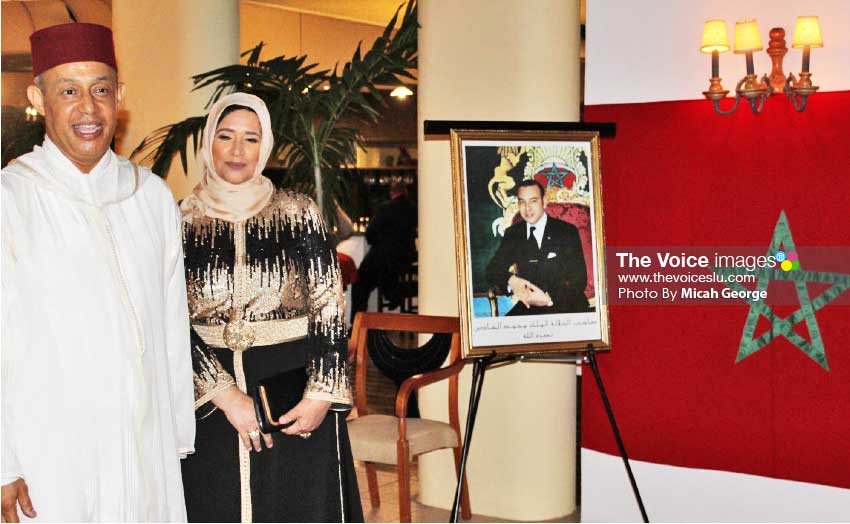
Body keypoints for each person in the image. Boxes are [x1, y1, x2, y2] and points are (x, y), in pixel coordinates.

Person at [1, 23, 195, 522]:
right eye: (68, 91)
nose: (88, 108)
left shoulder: (150, 197)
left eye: (101, 90)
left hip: (143, 447)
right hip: (50, 457)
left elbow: (173, 326)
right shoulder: (12, 198)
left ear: (120, 97)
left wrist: (175, 437)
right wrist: (2, 462)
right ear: (38, 99)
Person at [179, 93, 363, 523]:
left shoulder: (298, 213)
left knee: (294, 502)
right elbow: (167, 317)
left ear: (266, 147)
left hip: (290, 383)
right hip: (208, 392)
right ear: (209, 144)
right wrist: (221, 393)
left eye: (251, 138)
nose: (238, 150)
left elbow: (329, 306)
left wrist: (320, 394)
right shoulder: (180, 220)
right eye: (226, 137)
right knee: (215, 502)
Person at [486, 179, 589, 315]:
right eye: (522, 202)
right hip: (529, 307)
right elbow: (492, 270)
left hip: (566, 304)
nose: (527, 208)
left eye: (533, 201)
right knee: (502, 333)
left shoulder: (566, 231)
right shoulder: (514, 234)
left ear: (544, 201)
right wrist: (512, 281)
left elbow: (579, 280)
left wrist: (548, 299)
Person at [351, 180, 417, 316]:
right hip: (405, 259)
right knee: (387, 272)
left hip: (383, 256)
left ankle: (358, 321)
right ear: (405, 192)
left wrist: (377, 242)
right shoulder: (414, 208)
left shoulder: (384, 208)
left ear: (392, 193)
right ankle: (392, 292)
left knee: (360, 282)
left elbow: (370, 234)